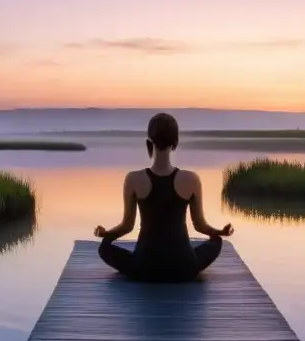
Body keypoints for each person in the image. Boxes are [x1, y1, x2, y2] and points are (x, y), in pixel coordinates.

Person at [94, 112, 234, 282]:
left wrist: (106, 234)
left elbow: (126, 227)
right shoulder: (191, 179)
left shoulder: (133, 179)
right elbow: (200, 226)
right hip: (183, 267)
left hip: (144, 267)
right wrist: (220, 232)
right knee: (216, 241)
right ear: (175, 143)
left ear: (149, 143)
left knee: (104, 248)